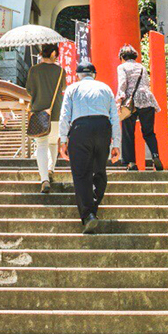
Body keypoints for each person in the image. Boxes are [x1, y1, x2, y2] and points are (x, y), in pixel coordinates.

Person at [58, 61, 121, 233]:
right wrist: (116, 143)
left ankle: (88, 215)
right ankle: (93, 207)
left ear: (78, 75)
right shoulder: (106, 88)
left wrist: (63, 140)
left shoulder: (72, 89)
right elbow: (114, 117)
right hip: (103, 128)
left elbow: (65, 115)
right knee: (99, 170)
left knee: (81, 174)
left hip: (80, 130)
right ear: (95, 74)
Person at [24, 43, 66, 193]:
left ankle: (44, 180)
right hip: (56, 113)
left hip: (38, 112)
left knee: (41, 145)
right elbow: (63, 88)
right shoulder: (61, 71)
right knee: (53, 143)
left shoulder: (34, 70)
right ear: (54, 53)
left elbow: (29, 90)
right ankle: (51, 169)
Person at [117, 44, 164, 172]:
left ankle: (131, 163)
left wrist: (118, 101)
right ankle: (155, 156)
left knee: (128, 133)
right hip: (147, 100)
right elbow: (146, 83)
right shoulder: (142, 67)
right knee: (149, 132)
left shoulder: (122, 67)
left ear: (122, 57)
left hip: (131, 102)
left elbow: (122, 84)